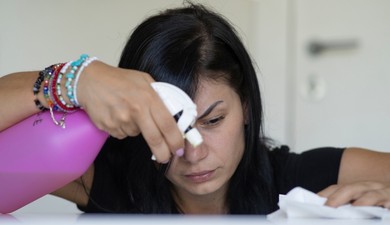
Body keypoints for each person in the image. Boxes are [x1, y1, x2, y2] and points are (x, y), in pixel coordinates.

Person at [0, 3, 389, 214]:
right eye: (169, 124)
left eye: (214, 120)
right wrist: (74, 81)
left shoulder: (296, 179)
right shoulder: (109, 184)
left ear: (247, 109)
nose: (195, 151)